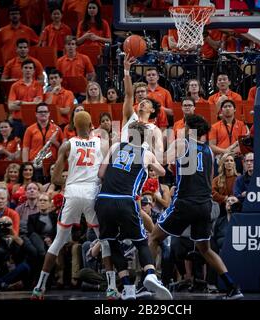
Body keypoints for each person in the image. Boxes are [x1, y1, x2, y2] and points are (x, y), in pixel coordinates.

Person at [149, 114, 243, 300]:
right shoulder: (208, 150)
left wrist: (150, 141)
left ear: (189, 128)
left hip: (185, 202)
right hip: (204, 204)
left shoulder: (182, 143)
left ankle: (146, 280)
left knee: (154, 237)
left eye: (184, 126)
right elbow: (207, 179)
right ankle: (233, 287)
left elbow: (160, 159)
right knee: (205, 249)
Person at [31, 111, 116, 300]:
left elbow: (54, 178)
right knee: (103, 240)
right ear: (92, 125)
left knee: (58, 241)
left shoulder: (67, 145)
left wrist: (70, 177)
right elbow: (107, 172)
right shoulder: (102, 144)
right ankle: (111, 287)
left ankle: (39, 288)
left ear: (73, 126)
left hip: (73, 192)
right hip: (92, 191)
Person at [95, 121, 172, 300]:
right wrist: (151, 158)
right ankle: (151, 274)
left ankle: (128, 289)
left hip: (104, 200)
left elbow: (100, 174)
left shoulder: (115, 146)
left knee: (113, 243)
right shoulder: (147, 154)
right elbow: (161, 172)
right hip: (126, 201)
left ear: (128, 134)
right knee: (140, 241)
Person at [122, 55, 164, 157]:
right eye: (141, 102)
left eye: (147, 103)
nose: (143, 103)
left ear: (152, 110)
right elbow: (129, 95)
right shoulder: (130, 116)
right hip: (123, 162)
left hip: (140, 165)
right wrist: (126, 71)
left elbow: (159, 155)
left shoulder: (154, 129)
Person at [22, 103, 63, 182]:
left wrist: (55, 142)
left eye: (45, 111)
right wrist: (26, 165)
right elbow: (25, 149)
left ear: (49, 113)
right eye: (40, 112)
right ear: (36, 114)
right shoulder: (29, 129)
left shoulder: (57, 129)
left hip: (51, 164)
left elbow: (63, 148)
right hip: (35, 164)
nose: (43, 113)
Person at [8, 59, 44, 139]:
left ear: (34, 70)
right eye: (26, 68)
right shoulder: (15, 86)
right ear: (22, 69)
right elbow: (10, 106)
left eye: (30, 68)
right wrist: (31, 105)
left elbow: (38, 105)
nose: (28, 70)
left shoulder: (38, 86)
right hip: (18, 121)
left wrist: (21, 103)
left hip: (33, 120)